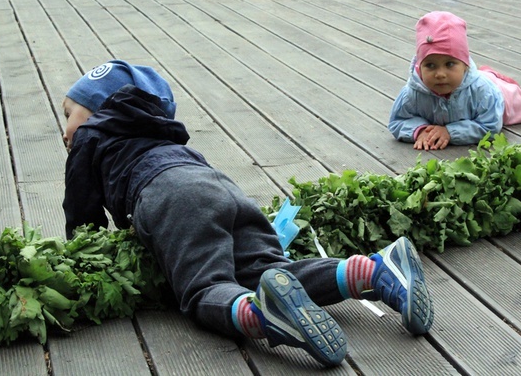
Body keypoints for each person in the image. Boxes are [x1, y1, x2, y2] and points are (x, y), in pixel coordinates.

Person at [61, 59, 434, 367]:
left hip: (168, 197)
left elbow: (82, 211)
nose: (64, 130)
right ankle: (375, 269)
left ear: (99, 109)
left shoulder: (91, 135)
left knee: (204, 286)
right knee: (270, 269)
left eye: (68, 114)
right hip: (220, 186)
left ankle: (260, 313)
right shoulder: (164, 133)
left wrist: (86, 253)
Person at [389, 11, 521, 151]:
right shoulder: (413, 92)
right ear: (420, 65)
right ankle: (489, 73)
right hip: (479, 85)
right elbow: (397, 121)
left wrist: (450, 132)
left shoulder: (483, 92)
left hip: (501, 99)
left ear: (465, 64)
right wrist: (420, 130)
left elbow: (490, 125)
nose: (440, 74)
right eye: (430, 65)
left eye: (450, 64)